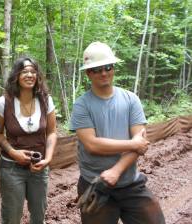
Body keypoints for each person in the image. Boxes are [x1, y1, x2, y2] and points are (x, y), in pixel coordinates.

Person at [70, 41, 165, 224]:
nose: (104, 73)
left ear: (113, 68)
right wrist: (133, 144)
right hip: (95, 184)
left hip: (131, 183)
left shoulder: (131, 100)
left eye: (108, 67)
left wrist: (116, 170)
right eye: (97, 69)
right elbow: (92, 144)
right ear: (88, 73)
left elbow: (141, 143)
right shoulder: (82, 105)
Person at [0, 57, 57, 224]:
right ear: (16, 75)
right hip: (11, 168)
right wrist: (14, 153)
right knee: (12, 216)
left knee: (39, 214)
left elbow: (52, 132)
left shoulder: (45, 100)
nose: (30, 75)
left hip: (39, 167)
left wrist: (48, 159)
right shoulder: (3, 102)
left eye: (33, 71)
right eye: (24, 71)